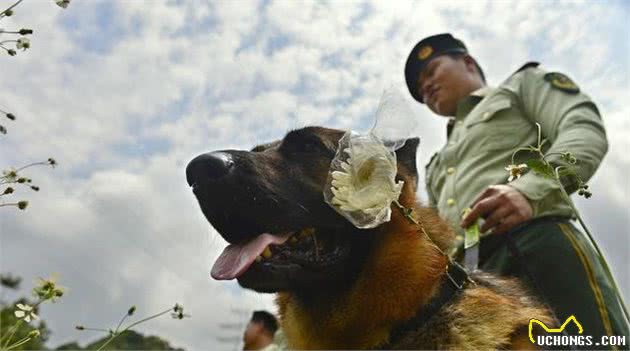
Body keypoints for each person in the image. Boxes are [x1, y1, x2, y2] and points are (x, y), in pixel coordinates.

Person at [404, 33, 629, 349]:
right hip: (473, 283)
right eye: (418, 89)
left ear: (467, 62)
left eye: (431, 71)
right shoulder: (438, 162)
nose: (425, 87)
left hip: (533, 244)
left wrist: (530, 190)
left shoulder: (522, 85)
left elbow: (581, 129)